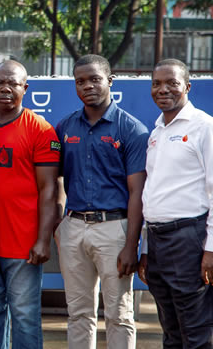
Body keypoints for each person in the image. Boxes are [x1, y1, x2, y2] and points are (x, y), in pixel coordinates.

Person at [138, 59, 213, 348]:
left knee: (198, 334)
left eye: (172, 83)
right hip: (158, 242)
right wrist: (145, 248)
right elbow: (151, 194)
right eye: (156, 84)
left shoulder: (206, 128)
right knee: (172, 334)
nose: (163, 89)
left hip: (190, 241)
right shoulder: (157, 133)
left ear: (187, 87)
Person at [55, 54, 148, 349]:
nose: (87, 86)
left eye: (95, 79)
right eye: (80, 81)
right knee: (78, 313)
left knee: (119, 314)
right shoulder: (66, 127)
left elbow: (137, 192)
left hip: (114, 229)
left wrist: (131, 243)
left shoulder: (131, 129)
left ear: (109, 81)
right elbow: (55, 178)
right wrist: (60, 226)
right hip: (74, 227)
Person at [0, 61, 59, 349]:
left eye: (13, 83)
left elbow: (50, 191)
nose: (6, 88)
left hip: (24, 244)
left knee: (25, 316)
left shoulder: (41, 130)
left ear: (25, 88)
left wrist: (43, 240)